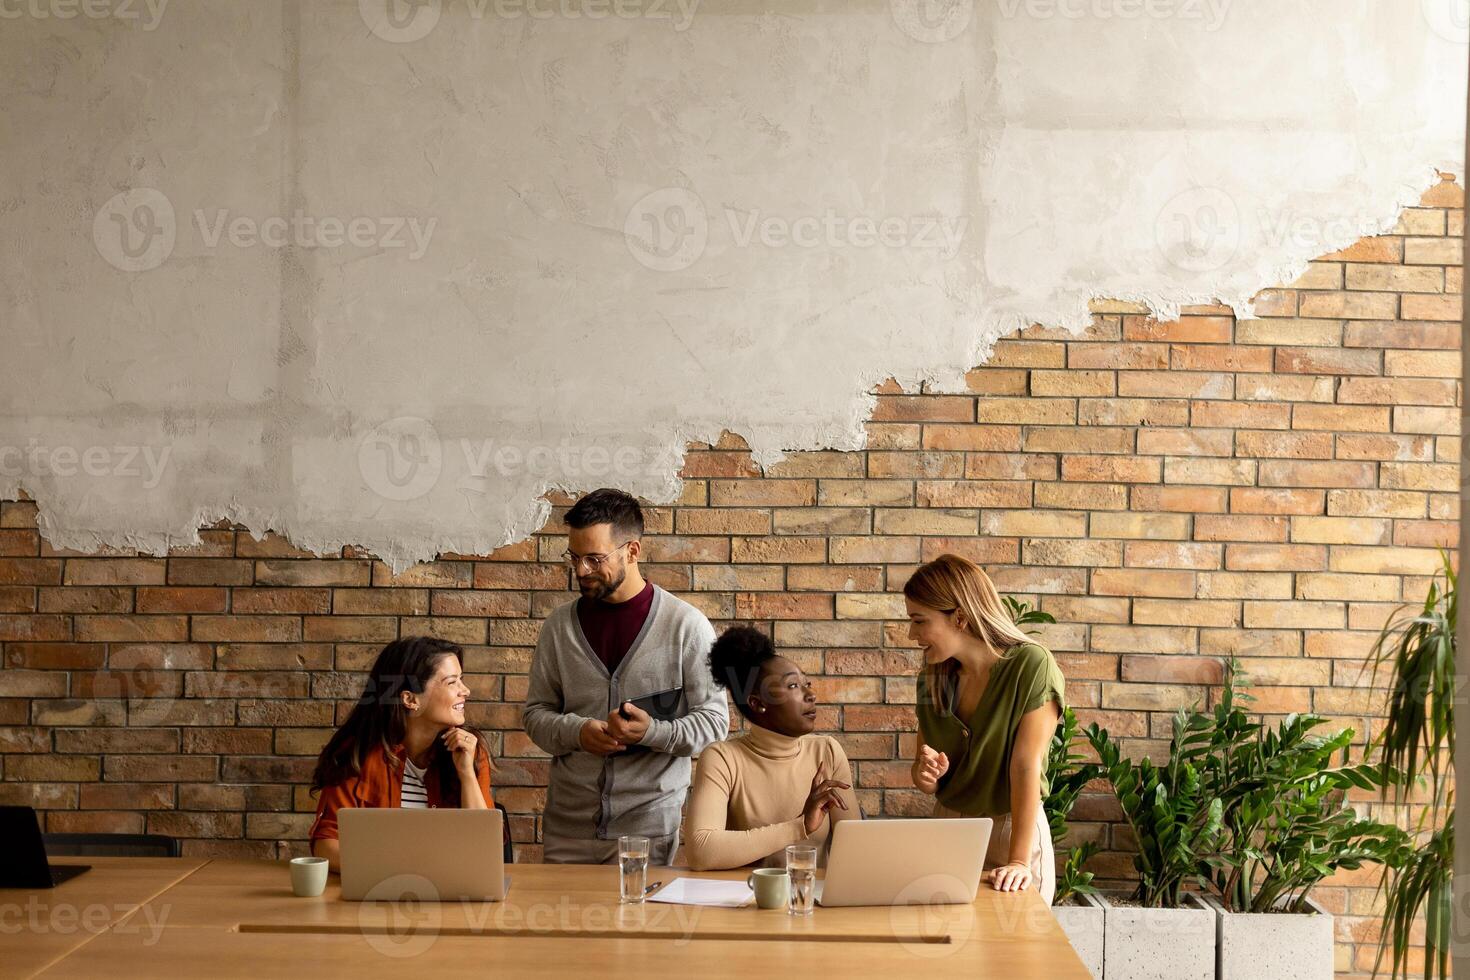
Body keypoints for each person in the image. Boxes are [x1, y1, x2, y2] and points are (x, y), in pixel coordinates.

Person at [522, 488, 727, 865]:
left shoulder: (686, 627)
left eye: (594, 559)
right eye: (575, 557)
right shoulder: (559, 627)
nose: (581, 570)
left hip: (648, 834)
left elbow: (714, 724)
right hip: (567, 830)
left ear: (632, 551)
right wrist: (577, 732)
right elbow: (535, 714)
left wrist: (651, 732)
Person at [905, 554, 1066, 903]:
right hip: (947, 831)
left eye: (919, 621)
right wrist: (926, 774)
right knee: (945, 951)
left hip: (1011, 831)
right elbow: (925, 776)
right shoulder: (932, 679)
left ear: (960, 617)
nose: (911, 634)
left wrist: (1020, 861)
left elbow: (1026, 766)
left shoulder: (1030, 665)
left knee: (1011, 954)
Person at [309, 636, 493, 872]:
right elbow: (325, 847)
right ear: (410, 699)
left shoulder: (470, 752)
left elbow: (484, 850)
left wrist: (466, 773)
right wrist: (400, 870)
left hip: (454, 897)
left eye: (462, 680)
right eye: (452, 682)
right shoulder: (356, 755)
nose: (465, 691)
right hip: (378, 895)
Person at [684, 626, 860, 871]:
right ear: (758, 703)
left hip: (811, 902)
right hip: (743, 902)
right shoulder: (722, 758)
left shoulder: (827, 752)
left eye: (806, 683)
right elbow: (700, 851)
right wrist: (800, 826)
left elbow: (856, 851)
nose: (811, 695)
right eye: (792, 686)